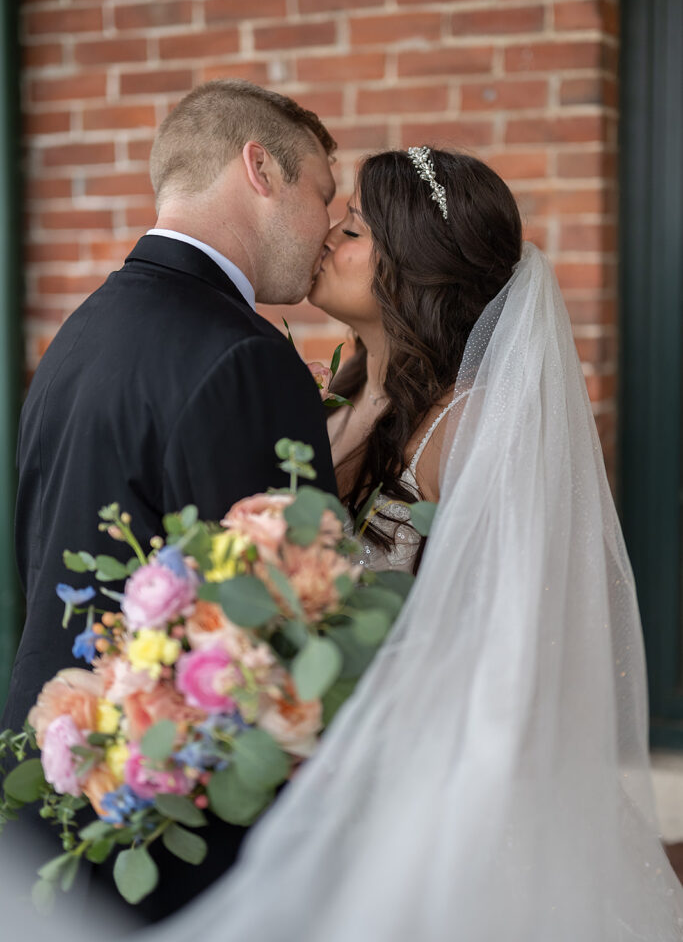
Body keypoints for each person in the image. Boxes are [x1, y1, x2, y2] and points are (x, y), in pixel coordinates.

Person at [142, 147, 683, 940]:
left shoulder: (476, 426)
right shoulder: (339, 403)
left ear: (415, 268)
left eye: (354, 228)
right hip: (332, 778)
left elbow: (508, 646)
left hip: (430, 794)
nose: (327, 236)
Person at [2, 79, 338, 922]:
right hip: (172, 833)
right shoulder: (243, 359)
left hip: (53, 791)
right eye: (322, 194)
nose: (328, 226)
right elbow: (281, 633)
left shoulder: (80, 333)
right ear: (260, 168)